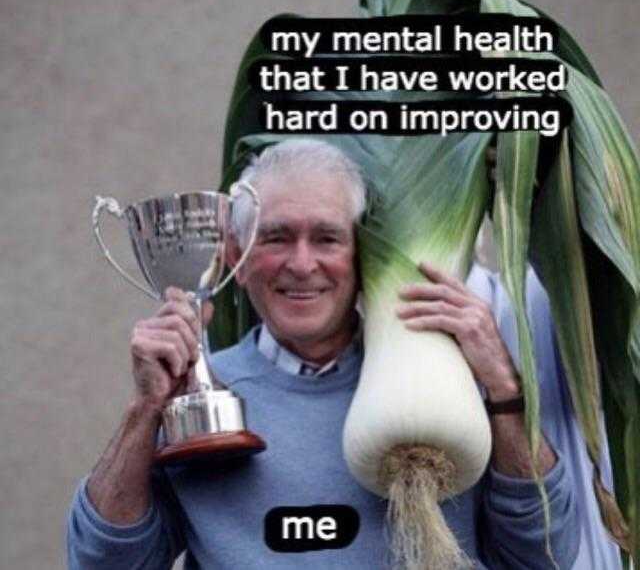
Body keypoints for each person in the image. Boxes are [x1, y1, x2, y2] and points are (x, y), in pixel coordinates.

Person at [67, 139, 619, 569]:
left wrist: (502, 386)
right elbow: (105, 562)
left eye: (327, 238)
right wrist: (146, 410)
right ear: (235, 253)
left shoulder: (443, 383)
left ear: (362, 254)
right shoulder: (194, 402)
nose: (302, 264)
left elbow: (543, 556)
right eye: (276, 237)